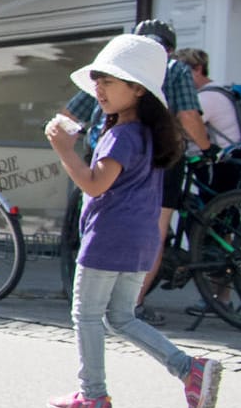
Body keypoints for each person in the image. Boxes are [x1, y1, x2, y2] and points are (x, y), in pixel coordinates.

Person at [43, 33, 221, 408]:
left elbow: (94, 184)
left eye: (109, 81)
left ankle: (92, 395)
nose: (99, 89)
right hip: (139, 240)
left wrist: (63, 150)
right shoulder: (149, 133)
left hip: (108, 237)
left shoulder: (122, 134)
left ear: (137, 89)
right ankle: (187, 369)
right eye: (98, 80)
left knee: (86, 315)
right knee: (121, 317)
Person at [58, 19, 209, 323]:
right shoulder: (176, 69)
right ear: (171, 47)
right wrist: (207, 149)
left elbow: (68, 115)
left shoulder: (112, 70)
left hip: (104, 147)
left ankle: (109, 301)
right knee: (156, 225)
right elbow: (189, 117)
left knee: (98, 210)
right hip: (159, 153)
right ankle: (132, 304)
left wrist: (65, 139)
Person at [176, 48, 241, 196]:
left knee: (214, 210)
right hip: (231, 158)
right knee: (221, 209)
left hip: (219, 161)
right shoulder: (220, 90)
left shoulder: (207, 97)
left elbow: (187, 124)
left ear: (198, 69)